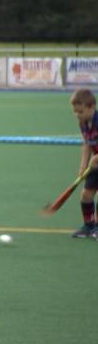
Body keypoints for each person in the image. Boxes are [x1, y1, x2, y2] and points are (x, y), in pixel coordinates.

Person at [70, 88, 98, 238]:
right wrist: (83, 166)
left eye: (80, 112)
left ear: (92, 107)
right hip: (96, 163)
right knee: (86, 195)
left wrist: (96, 158)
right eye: (75, 111)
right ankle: (89, 225)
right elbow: (87, 144)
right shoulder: (83, 123)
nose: (77, 115)